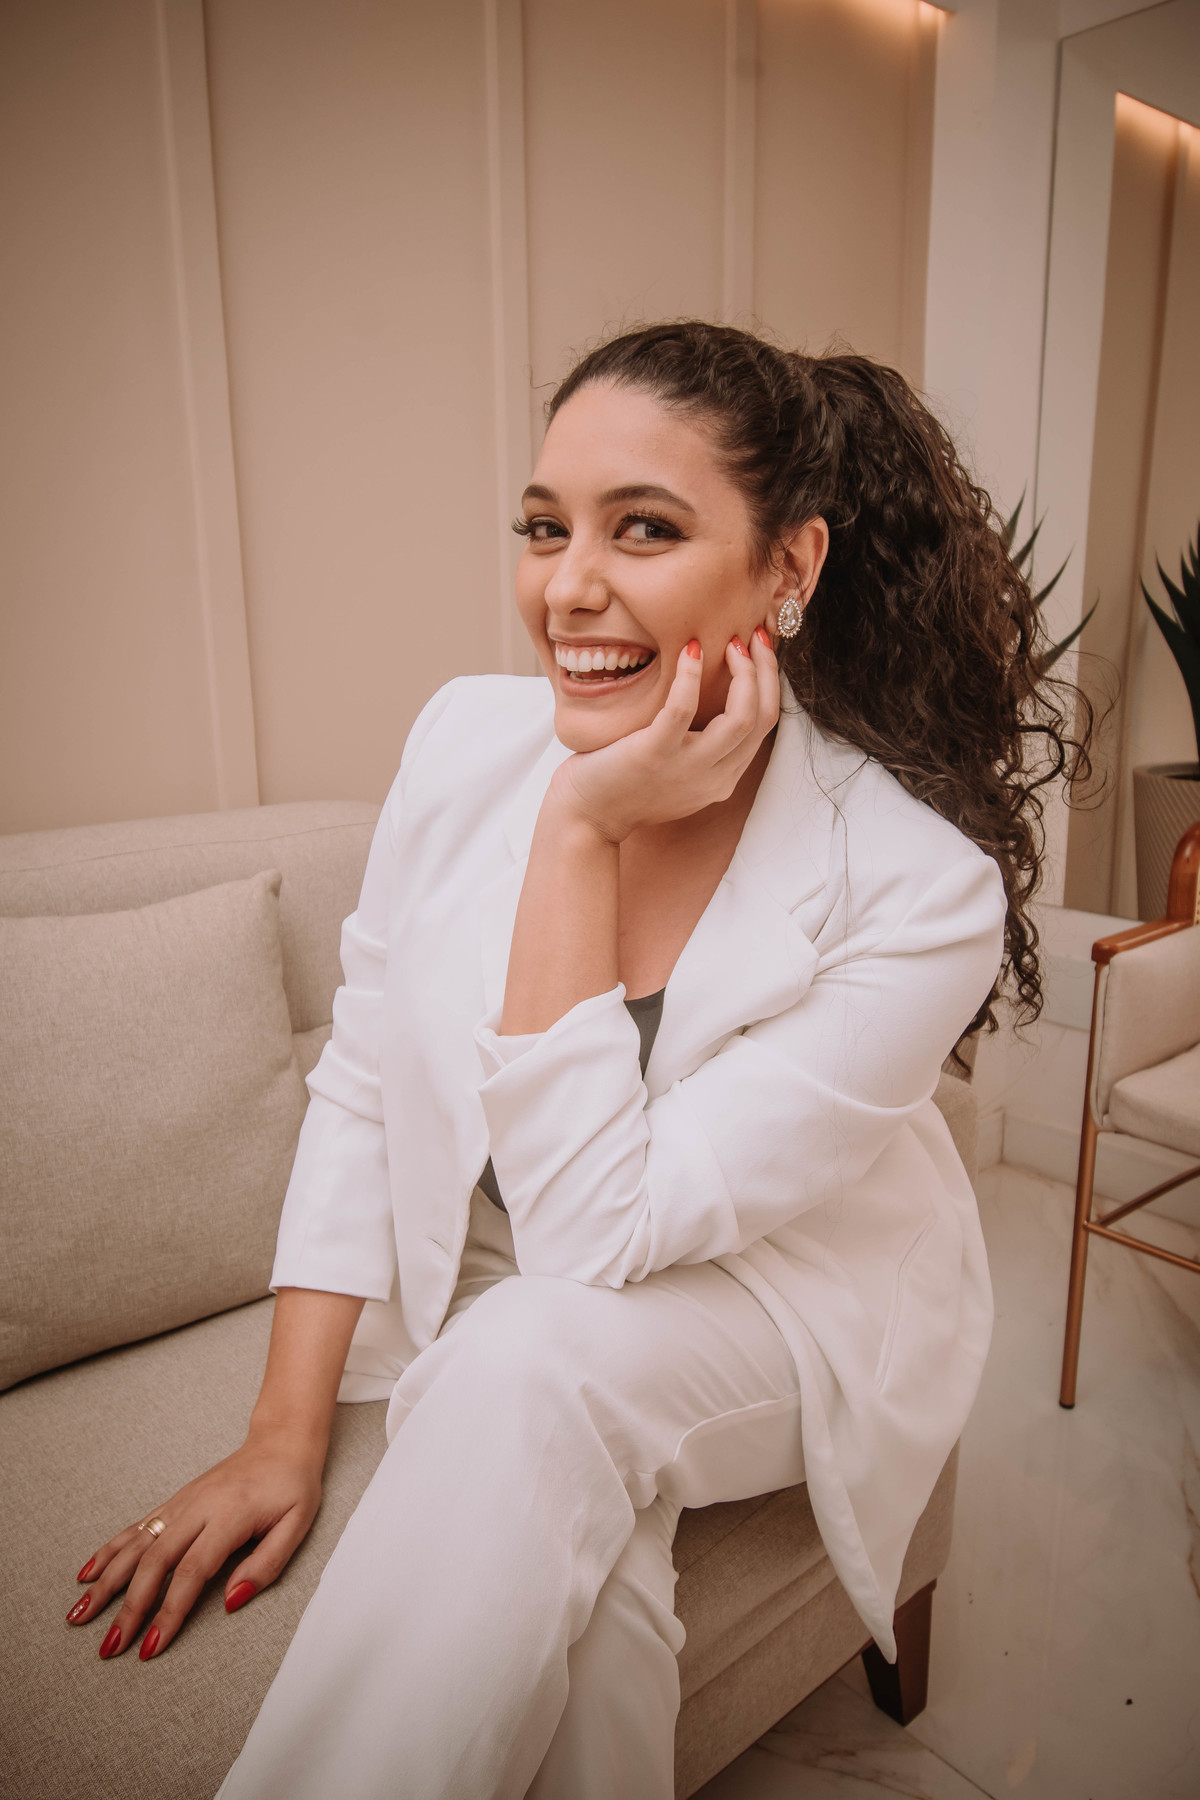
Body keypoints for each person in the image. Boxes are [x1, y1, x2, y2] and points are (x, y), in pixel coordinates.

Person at [66, 322, 1086, 1799]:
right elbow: (365, 1075)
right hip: (500, 1275)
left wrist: (582, 830)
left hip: (768, 1299)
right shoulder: (460, 738)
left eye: (645, 529)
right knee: (585, 1606)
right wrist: (282, 1432)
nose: (568, 587)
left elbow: (591, 1240)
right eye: (546, 527)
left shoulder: (920, 889)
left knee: (536, 1352)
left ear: (790, 568)